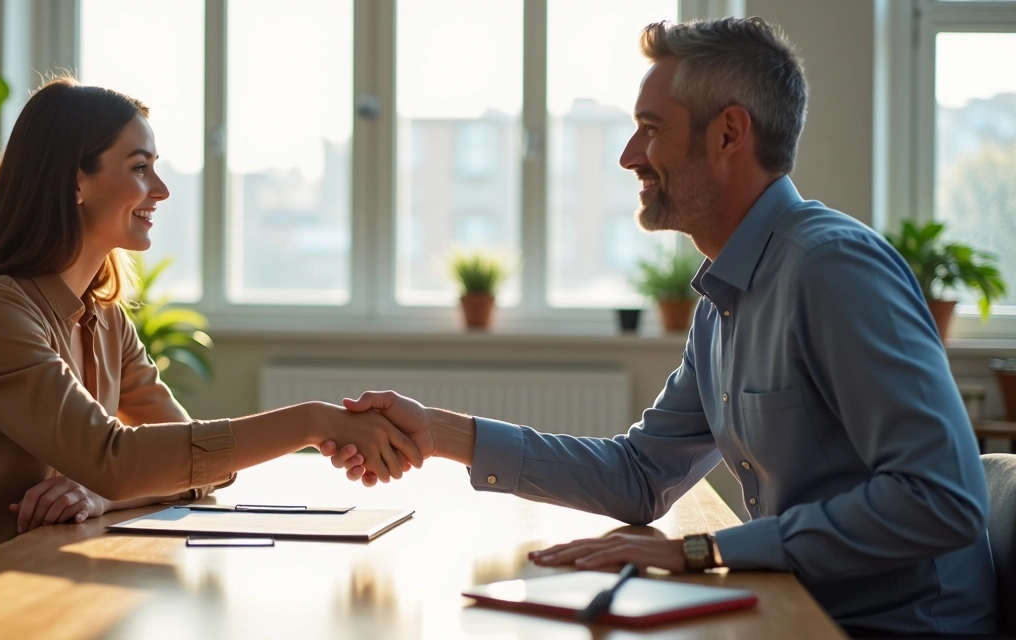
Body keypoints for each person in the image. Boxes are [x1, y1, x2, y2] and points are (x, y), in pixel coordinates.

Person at [333, 17, 997, 636]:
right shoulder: (724, 298)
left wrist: (701, 550)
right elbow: (640, 473)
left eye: (650, 128)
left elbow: (940, 499)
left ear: (728, 134)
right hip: (798, 608)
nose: (629, 156)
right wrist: (443, 433)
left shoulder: (832, 270)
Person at [0, 77, 420, 587]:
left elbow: (198, 466)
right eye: (139, 167)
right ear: (74, 181)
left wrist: (101, 495)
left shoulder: (105, 318)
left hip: (37, 580)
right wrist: (311, 421)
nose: (159, 189)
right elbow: (118, 457)